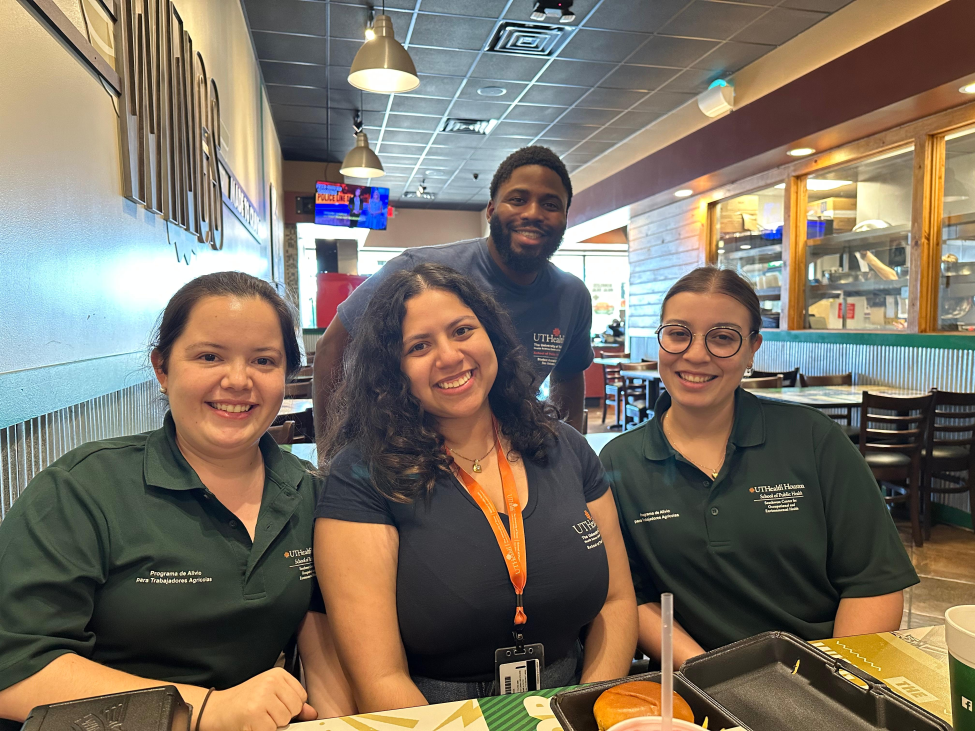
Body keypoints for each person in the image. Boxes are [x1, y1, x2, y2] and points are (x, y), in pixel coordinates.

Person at [0, 272, 355, 731]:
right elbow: (14, 667)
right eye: (209, 356)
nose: (238, 380)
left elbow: (320, 643)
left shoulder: (309, 492)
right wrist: (205, 708)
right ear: (162, 369)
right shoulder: (81, 489)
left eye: (264, 361)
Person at [315, 263, 636, 710]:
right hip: (438, 715)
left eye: (462, 330)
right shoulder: (363, 475)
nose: (449, 356)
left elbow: (618, 603)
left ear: (493, 337)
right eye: (419, 346)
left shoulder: (566, 448)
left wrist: (585, 709)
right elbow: (378, 677)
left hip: (575, 699)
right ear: (392, 371)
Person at [601, 267, 918, 668]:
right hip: (701, 680)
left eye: (722, 338)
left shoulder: (814, 439)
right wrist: (715, 676)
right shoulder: (618, 462)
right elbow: (634, 597)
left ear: (753, 349)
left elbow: (873, 582)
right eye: (679, 333)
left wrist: (836, 683)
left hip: (823, 673)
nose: (696, 354)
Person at [314, 146, 593, 439]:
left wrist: (570, 456)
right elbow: (332, 347)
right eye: (518, 199)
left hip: (510, 451)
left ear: (565, 217)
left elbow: (570, 375)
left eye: (550, 205)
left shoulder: (572, 295)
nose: (533, 213)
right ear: (491, 209)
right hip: (413, 454)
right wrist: (329, 456)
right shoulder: (420, 269)